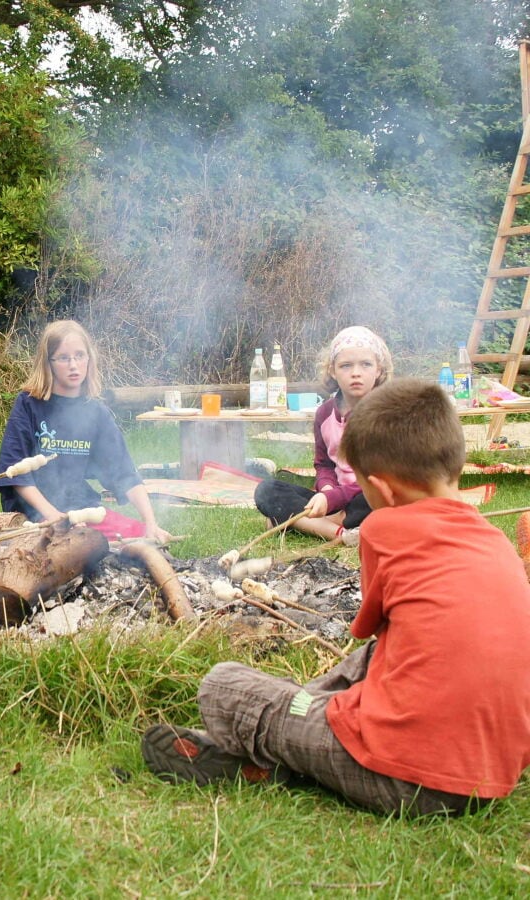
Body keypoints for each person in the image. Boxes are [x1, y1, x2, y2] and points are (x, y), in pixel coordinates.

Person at [141, 379, 530, 816]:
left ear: (380, 491)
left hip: (406, 781)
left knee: (222, 685)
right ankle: (304, 721)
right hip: (490, 775)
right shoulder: (497, 542)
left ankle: (279, 741)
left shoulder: (384, 531)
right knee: (374, 659)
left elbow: (362, 627)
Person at [0, 319, 170, 543]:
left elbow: (125, 473)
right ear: (48, 363)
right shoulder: (29, 404)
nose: (74, 365)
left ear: (89, 359)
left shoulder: (96, 412)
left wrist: (151, 523)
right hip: (32, 513)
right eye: (64, 358)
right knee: (63, 547)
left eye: (79, 355)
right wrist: (54, 516)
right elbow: (17, 473)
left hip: (80, 509)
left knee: (140, 537)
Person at [254, 325, 392, 543]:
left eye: (365, 364)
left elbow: (381, 476)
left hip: (368, 497)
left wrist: (333, 498)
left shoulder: (387, 413)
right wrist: (327, 489)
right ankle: (340, 533)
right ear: (332, 371)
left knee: (385, 496)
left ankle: (301, 523)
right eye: (346, 365)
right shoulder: (325, 413)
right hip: (333, 500)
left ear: (379, 370)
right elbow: (324, 464)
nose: (356, 372)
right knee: (267, 490)